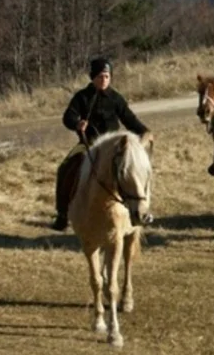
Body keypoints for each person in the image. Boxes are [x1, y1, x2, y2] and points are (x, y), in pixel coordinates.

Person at [52, 57, 151, 231]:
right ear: (92, 77)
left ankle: (141, 209)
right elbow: (68, 117)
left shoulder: (116, 98)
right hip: (88, 145)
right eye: (100, 76)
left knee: (134, 169)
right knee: (65, 168)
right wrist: (77, 123)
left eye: (107, 76)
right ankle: (62, 214)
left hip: (114, 148)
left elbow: (130, 120)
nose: (104, 80)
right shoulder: (82, 97)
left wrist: (145, 132)